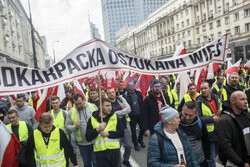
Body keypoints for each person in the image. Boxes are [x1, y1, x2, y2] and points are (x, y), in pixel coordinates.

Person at [86, 98, 124, 167]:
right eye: (107, 106)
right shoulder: (92, 119)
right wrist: (97, 129)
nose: (110, 108)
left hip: (114, 151)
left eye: (110, 105)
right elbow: (88, 137)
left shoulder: (114, 117)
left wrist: (108, 133)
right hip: (100, 153)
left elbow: (121, 133)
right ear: (100, 106)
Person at [218, 91, 250, 166]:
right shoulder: (225, 120)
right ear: (232, 101)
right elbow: (225, 146)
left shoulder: (245, 115)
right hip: (236, 163)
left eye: (246, 99)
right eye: (242, 99)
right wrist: (241, 163)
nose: (245, 102)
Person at [66, 93, 97, 167]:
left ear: (83, 100)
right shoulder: (71, 112)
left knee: (96, 162)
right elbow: (67, 127)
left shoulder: (92, 107)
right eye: (76, 104)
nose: (78, 106)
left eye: (80, 103)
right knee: (87, 164)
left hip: (95, 141)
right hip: (82, 144)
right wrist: (74, 127)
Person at [196, 81, 221, 167]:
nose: (203, 90)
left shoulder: (217, 98)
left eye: (205, 88)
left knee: (219, 156)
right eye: (201, 89)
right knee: (212, 157)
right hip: (208, 134)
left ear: (210, 89)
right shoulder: (198, 101)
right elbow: (198, 118)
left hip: (219, 131)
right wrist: (212, 119)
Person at [106, 87, 132, 167]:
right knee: (117, 148)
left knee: (129, 145)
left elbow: (128, 109)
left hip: (125, 126)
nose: (111, 94)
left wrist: (116, 113)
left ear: (115, 92)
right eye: (109, 93)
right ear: (107, 94)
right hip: (115, 129)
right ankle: (119, 163)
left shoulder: (121, 99)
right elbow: (108, 113)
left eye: (113, 92)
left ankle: (126, 159)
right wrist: (121, 113)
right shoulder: (106, 102)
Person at [179, 101, 209, 167]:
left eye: (190, 115)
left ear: (196, 114)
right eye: (185, 114)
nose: (187, 118)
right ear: (182, 110)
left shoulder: (200, 122)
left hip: (200, 162)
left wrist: (207, 158)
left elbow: (206, 140)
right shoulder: (176, 122)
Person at [125, 81, 145, 151]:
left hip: (140, 114)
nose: (131, 87)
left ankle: (140, 140)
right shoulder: (126, 94)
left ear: (134, 86)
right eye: (130, 85)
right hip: (132, 116)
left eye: (132, 85)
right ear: (128, 86)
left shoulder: (138, 93)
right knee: (133, 131)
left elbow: (142, 102)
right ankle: (135, 144)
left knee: (143, 128)